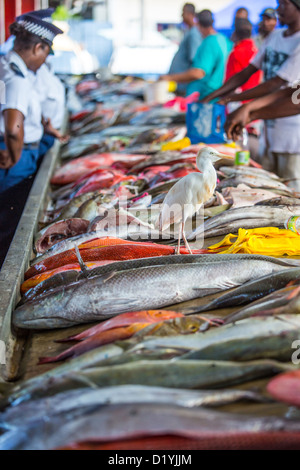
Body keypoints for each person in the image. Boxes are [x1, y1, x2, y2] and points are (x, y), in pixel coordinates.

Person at [201, 0, 300, 188]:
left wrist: (238, 102)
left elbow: (279, 86)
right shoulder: (275, 37)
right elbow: (247, 72)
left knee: (292, 193)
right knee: (269, 189)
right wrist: (216, 96)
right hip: (269, 128)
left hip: (293, 135)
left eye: (284, 4)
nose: (279, 9)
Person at [0, 12, 63, 267]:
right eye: (45, 53)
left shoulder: (5, 65)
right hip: (18, 157)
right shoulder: (17, 77)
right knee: (10, 222)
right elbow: (14, 126)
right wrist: (14, 156)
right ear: (38, 47)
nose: (44, 60)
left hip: (15, 148)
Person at [161, 10, 232, 100]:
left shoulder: (209, 42)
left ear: (198, 24)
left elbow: (198, 73)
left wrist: (169, 78)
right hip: (216, 95)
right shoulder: (224, 40)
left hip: (206, 97)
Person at [168, 3, 203, 95]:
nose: (181, 16)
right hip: (179, 85)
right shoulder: (189, 31)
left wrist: (176, 77)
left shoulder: (194, 34)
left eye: (183, 13)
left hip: (185, 87)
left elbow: (194, 61)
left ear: (189, 14)